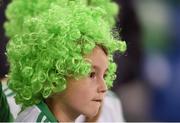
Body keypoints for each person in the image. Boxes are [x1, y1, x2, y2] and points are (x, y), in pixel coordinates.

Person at [5, 0, 126, 122]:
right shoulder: (19, 108)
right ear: (55, 78)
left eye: (105, 75)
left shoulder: (110, 103)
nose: (104, 87)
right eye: (91, 74)